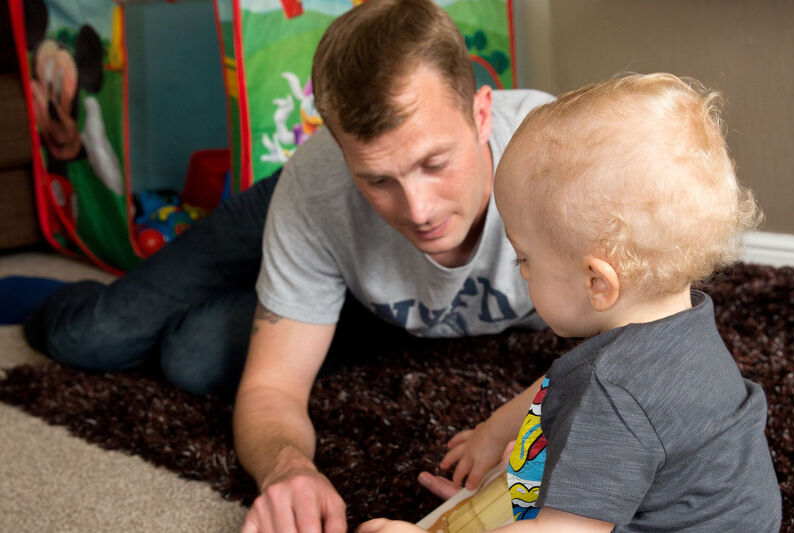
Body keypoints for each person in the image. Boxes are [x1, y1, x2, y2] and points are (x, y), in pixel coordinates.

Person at [8, 0, 555, 531]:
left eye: (434, 163)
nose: (418, 210)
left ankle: (305, 290)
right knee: (94, 335)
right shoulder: (320, 184)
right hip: (303, 210)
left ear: (482, 113)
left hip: (370, 288)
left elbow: (633, 343)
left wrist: (522, 427)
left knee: (193, 356)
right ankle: (51, 295)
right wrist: (288, 469)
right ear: (340, 150)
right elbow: (273, 389)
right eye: (378, 179)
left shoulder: (563, 164)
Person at [358, 73, 782, 533]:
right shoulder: (682, 320)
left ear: (597, 282)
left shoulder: (612, 395)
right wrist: (495, 432)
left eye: (524, 257)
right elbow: (560, 385)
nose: (520, 271)